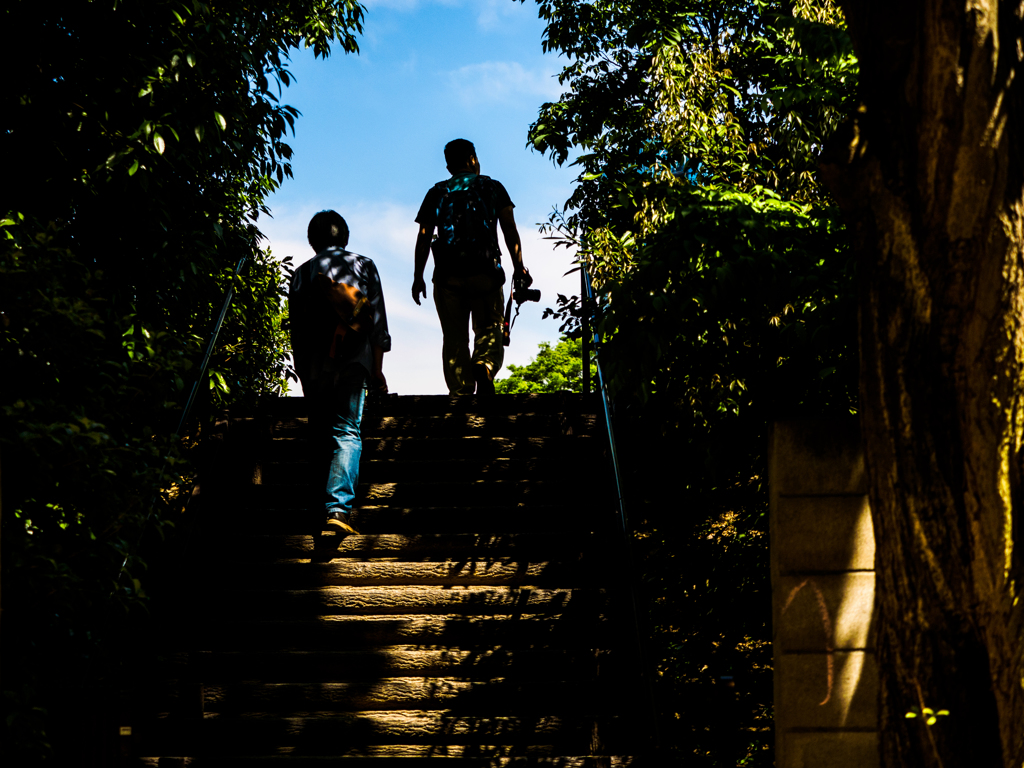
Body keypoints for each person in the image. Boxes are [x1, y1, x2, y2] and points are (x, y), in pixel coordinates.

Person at [289, 210, 390, 535]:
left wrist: (303, 370)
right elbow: (376, 322)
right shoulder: (364, 265)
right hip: (353, 362)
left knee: (320, 433)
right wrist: (377, 370)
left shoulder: (302, 274)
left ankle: (316, 510)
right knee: (347, 431)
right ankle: (337, 510)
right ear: (344, 236)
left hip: (316, 365)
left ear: (312, 240)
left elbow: (297, 331)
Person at [412, 139, 530, 395]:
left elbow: (424, 235)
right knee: (489, 328)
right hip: (485, 271)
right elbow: (509, 228)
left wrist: (417, 276)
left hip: (447, 276)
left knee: (454, 337)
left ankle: (460, 393)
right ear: (473, 159)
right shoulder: (492, 187)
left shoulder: (436, 192)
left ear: (448, 166)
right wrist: (519, 266)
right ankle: (484, 365)